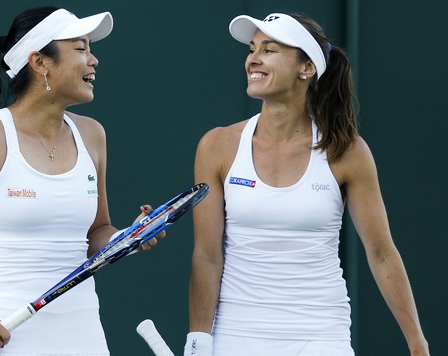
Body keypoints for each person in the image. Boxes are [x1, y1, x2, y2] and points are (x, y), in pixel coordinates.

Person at [0, 6, 162, 356]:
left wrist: (127, 238)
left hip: (83, 331)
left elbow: (97, 232)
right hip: (0, 333)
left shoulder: (92, 135)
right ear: (40, 62)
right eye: (80, 48)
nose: (94, 60)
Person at [183, 12, 429, 356]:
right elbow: (207, 256)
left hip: (321, 334)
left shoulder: (348, 151)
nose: (253, 58)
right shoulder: (216, 146)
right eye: (252, 49)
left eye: (269, 49)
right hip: (237, 333)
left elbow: (382, 254)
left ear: (306, 68)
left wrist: (417, 344)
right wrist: (198, 339)